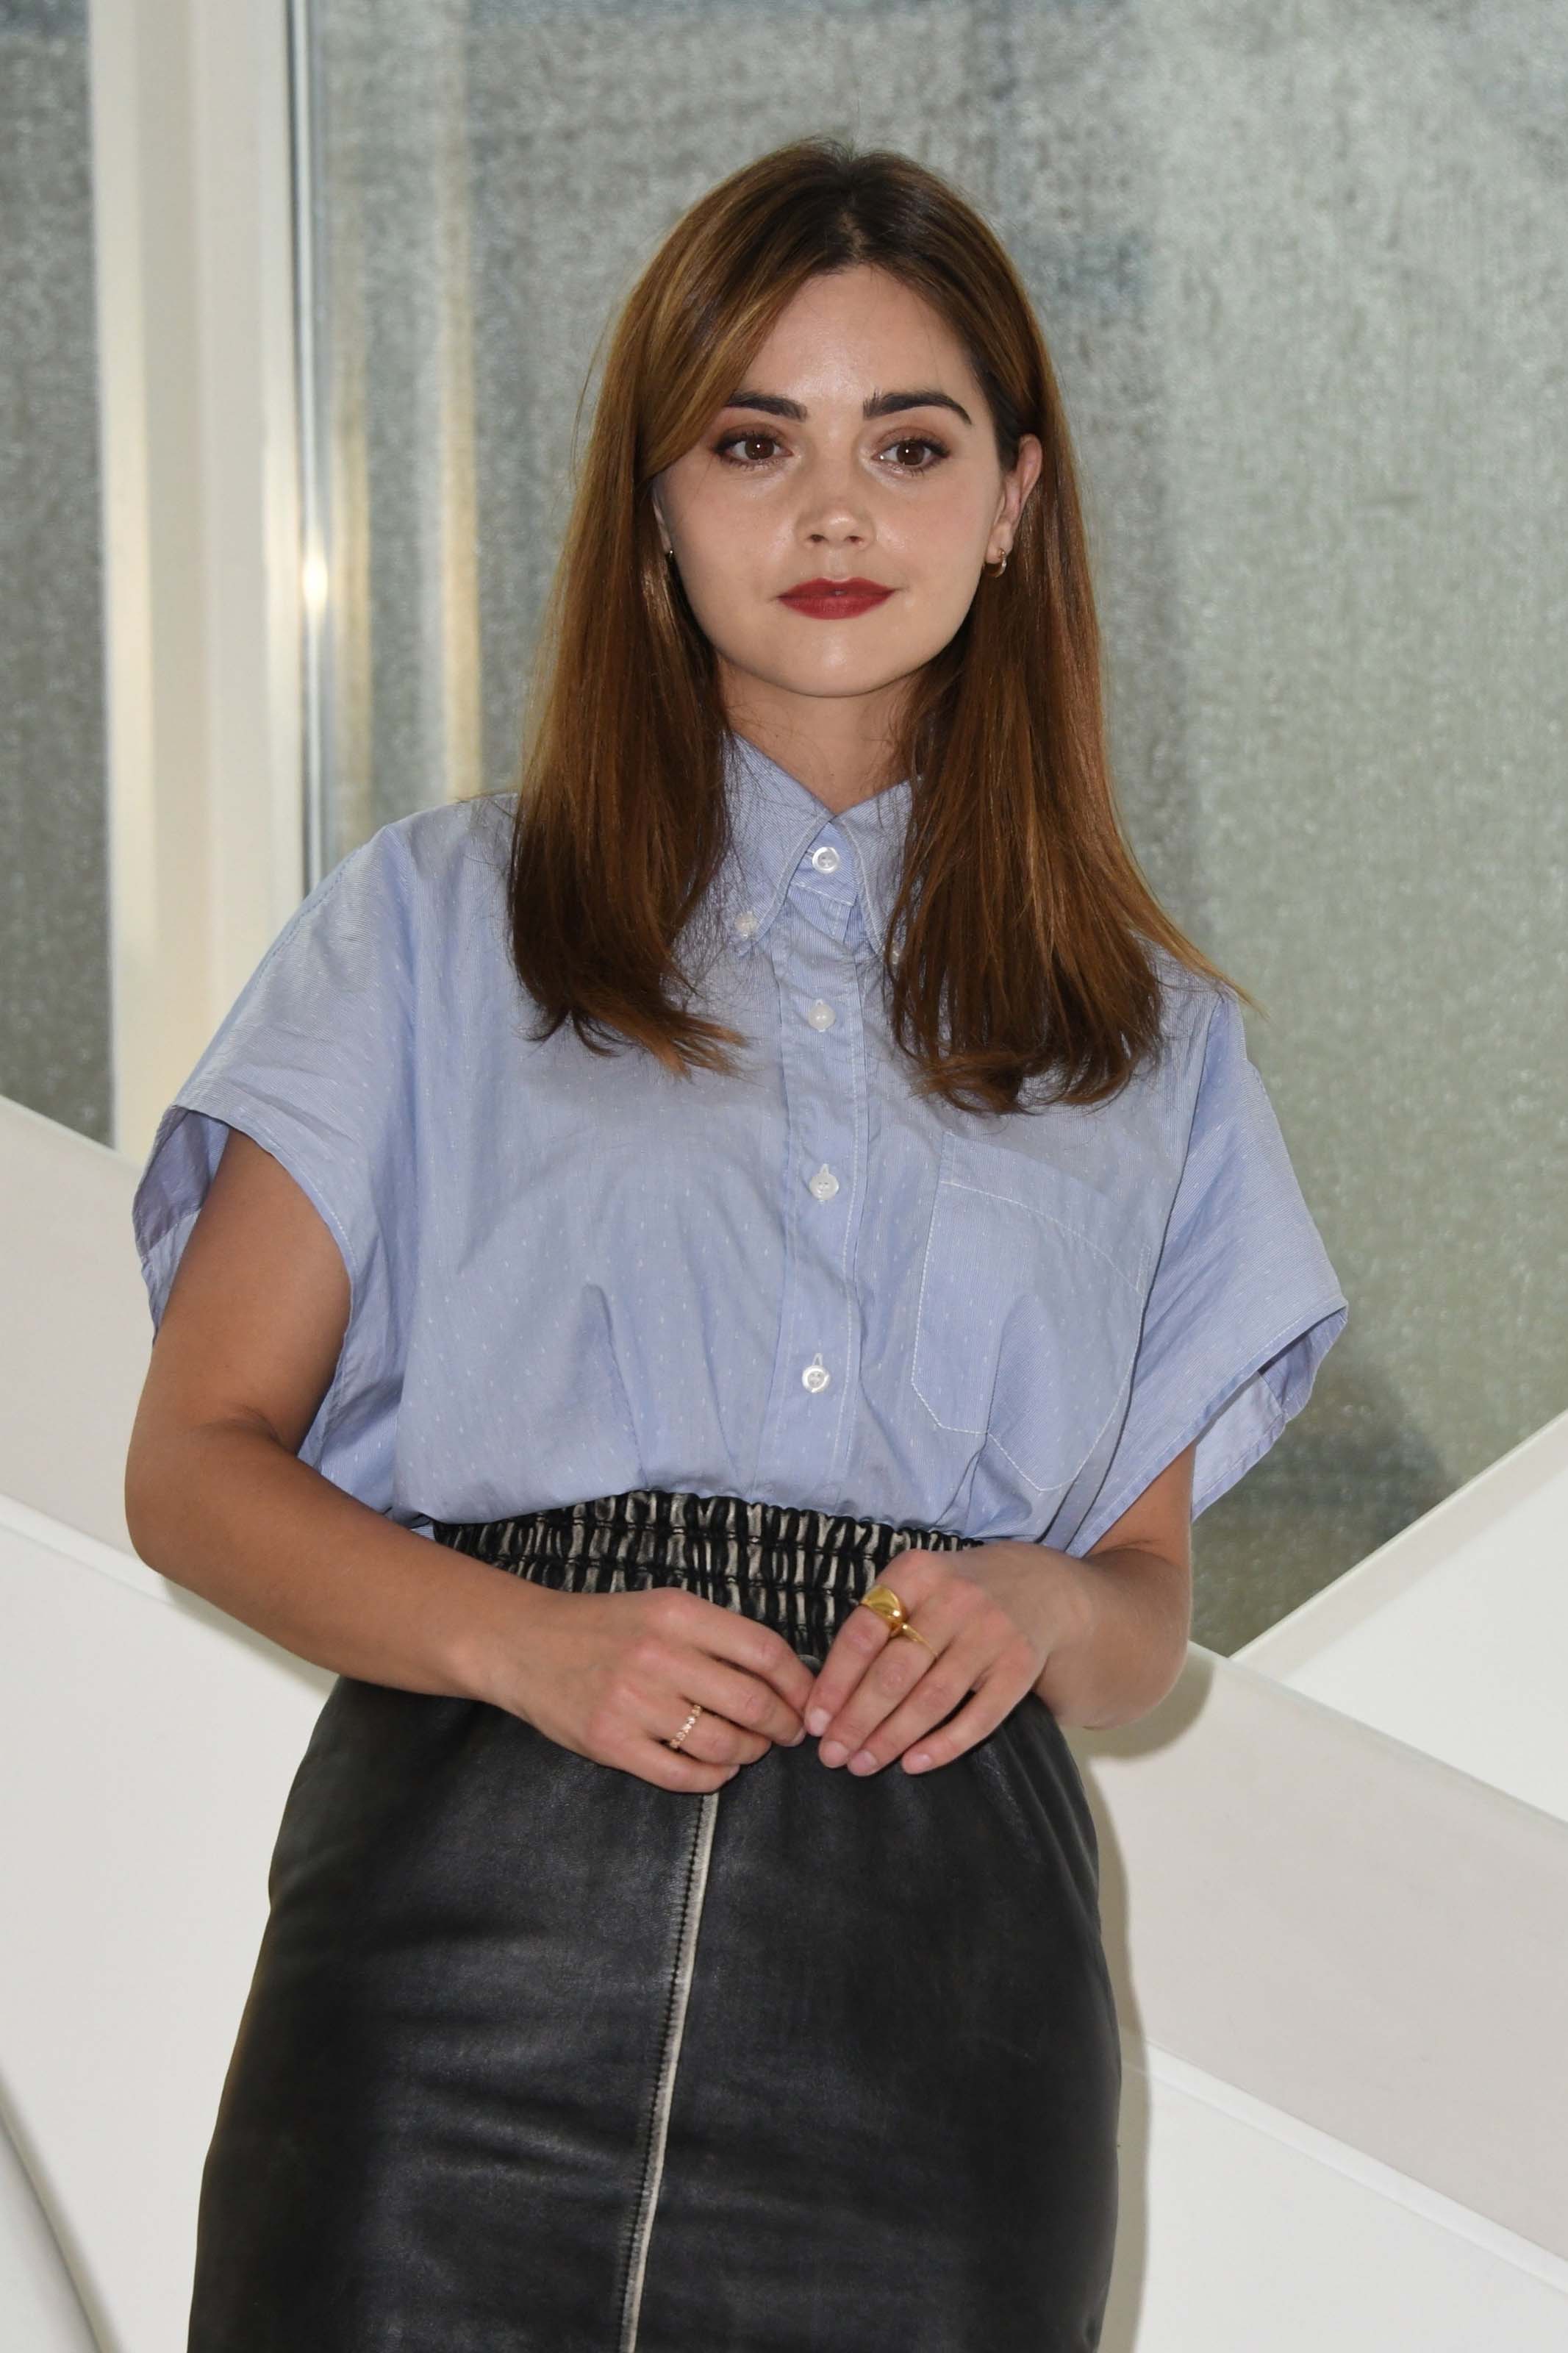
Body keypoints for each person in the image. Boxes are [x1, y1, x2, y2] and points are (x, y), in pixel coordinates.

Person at [125, 138, 1347, 2352]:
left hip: (944, 2007)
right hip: (461, 1954)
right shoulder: (429, 924)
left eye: (912, 441)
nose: (835, 511)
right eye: (752, 441)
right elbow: (197, 1459)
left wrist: (1045, 1601)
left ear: (1019, 499)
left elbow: (1145, 1619)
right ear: (657, 506)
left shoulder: (1149, 1042)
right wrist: (525, 1644)